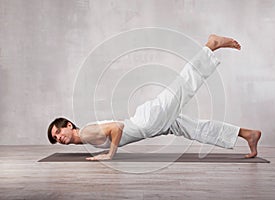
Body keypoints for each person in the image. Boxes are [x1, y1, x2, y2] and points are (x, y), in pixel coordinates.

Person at [47, 34, 261, 161]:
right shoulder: (84, 135)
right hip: (149, 124)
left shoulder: (84, 132)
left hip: (148, 122)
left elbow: (117, 127)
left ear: (68, 125)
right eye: (56, 139)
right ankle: (247, 135)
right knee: (194, 129)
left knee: (182, 86)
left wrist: (110, 155)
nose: (59, 138)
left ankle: (211, 46)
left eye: (58, 132)